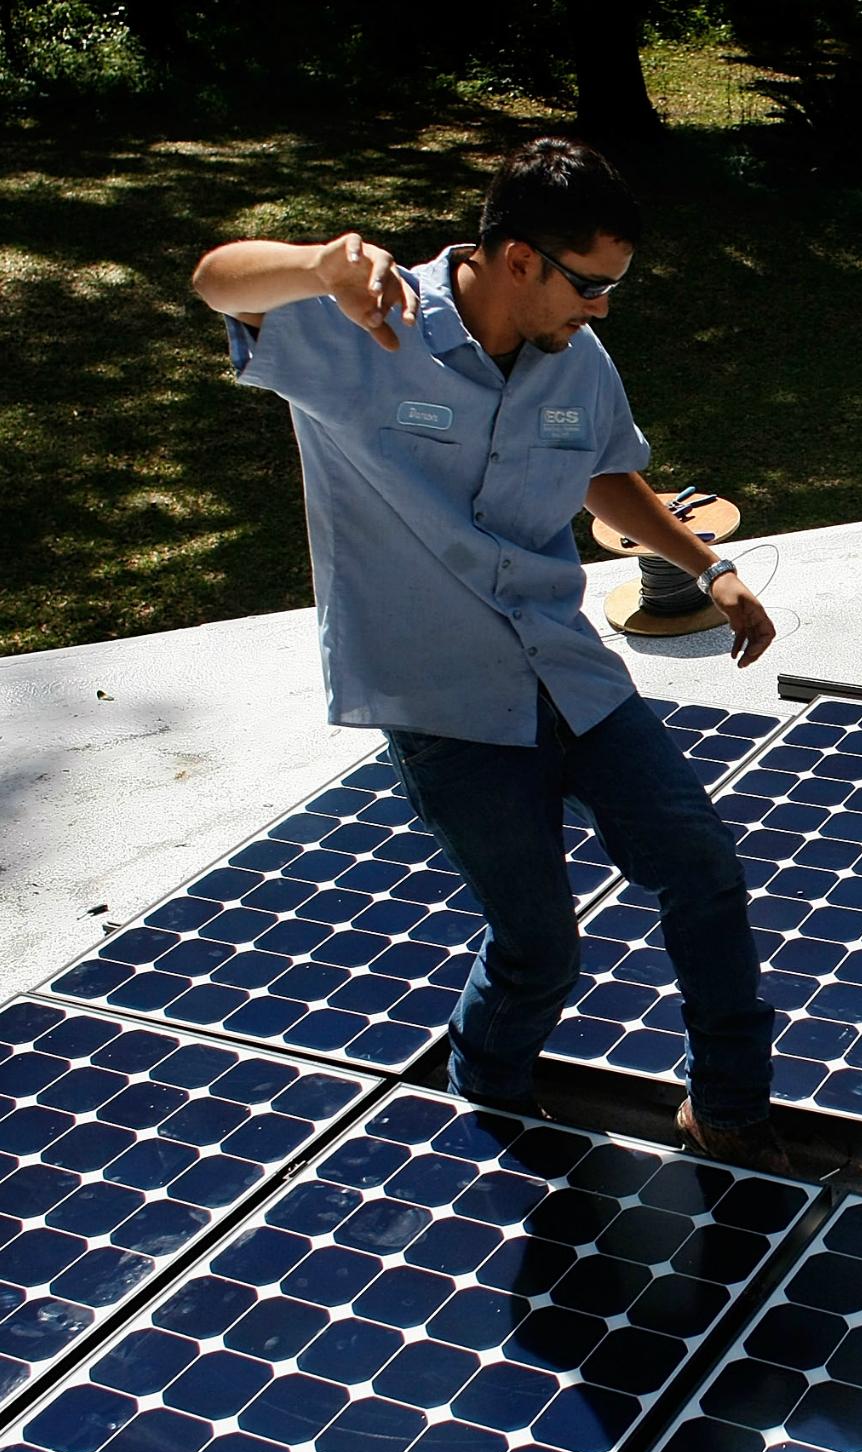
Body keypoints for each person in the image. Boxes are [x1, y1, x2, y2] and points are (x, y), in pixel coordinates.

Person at [191, 138, 792, 1174]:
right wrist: (317, 264)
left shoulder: (576, 357)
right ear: (519, 258)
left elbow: (605, 475)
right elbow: (213, 282)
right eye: (590, 285)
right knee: (538, 948)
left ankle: (729, 1110)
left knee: (701, 865)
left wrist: (709, 567)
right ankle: (489, 1096)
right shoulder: (362, 330)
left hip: (570, 673)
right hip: (446, 705)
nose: (601, 308)